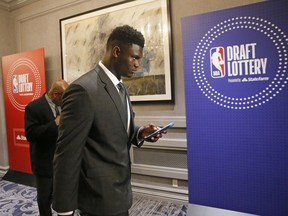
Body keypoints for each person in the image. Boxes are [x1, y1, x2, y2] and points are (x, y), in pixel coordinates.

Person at [52, 25, 165, 216]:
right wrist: (64, 210)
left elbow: (114, 128)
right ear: (116, 51)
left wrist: (139, 133)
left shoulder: (121, 87)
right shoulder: (83, 90)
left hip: (120, 195)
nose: (138, 64)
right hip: (97, 199)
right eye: (135, 57)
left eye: (140, 59)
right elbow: (66, 154)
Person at [24, 79, 69, 216]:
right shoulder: (33, 107)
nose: (67, 101)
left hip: (63, 162)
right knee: (44, 199)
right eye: (65, 97)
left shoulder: (65, 106)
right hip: (44, 164)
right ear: (55, 95)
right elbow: (31, 134)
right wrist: (54, 123)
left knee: (65, 197)